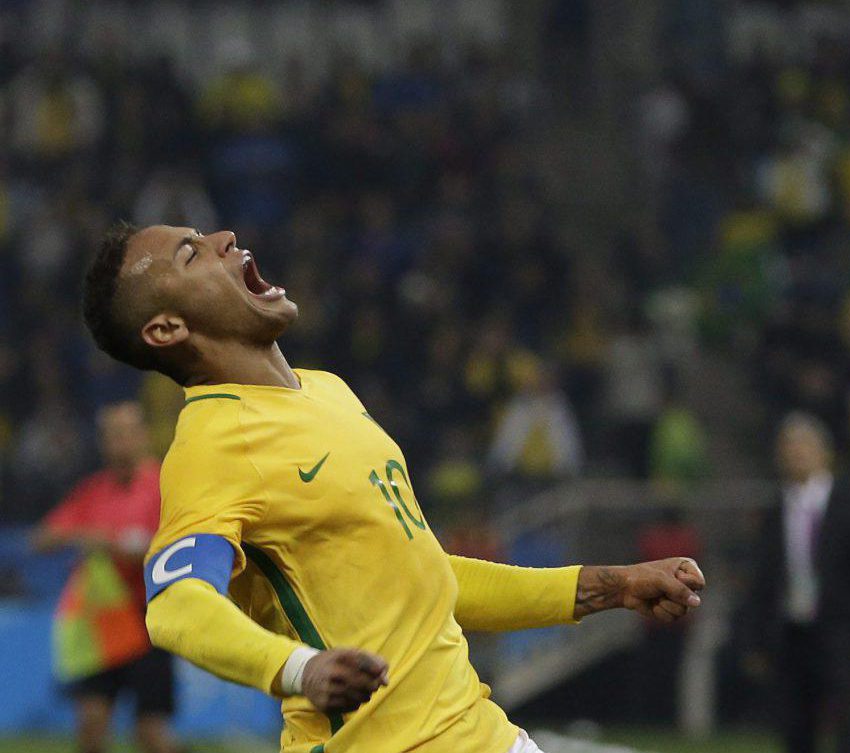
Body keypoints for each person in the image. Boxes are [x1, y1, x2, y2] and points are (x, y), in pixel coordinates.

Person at [79, 222, 707, 753]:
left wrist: (615, 584)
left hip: (485, 734)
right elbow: (176, 605)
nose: (222, 238)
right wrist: (297, 670)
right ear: (166, 331)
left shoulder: (327, 389)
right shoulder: (214, 444)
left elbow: (426, 577)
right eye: (190, 254)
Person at [741, 412, 850, 753]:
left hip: (840, 627)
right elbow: (763, 579)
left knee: (845, 719)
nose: (795, 454)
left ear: (824, 453)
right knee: (795, 724)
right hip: (792, 630)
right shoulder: (775, 509)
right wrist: (755, 638)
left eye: (803, 446)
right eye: (788, 447)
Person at [31, 401, 182, 753]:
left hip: (150, 622)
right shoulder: (93, 491)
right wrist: (79, 535)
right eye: (112, 434)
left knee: (151, 733)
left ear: (144, 435)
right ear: (102, 441)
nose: (120, 441)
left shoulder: (166, 485)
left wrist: (110, 544)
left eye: (127, 432)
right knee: (90, 726)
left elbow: (170, 548)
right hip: (104, 624)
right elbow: (41, 538)